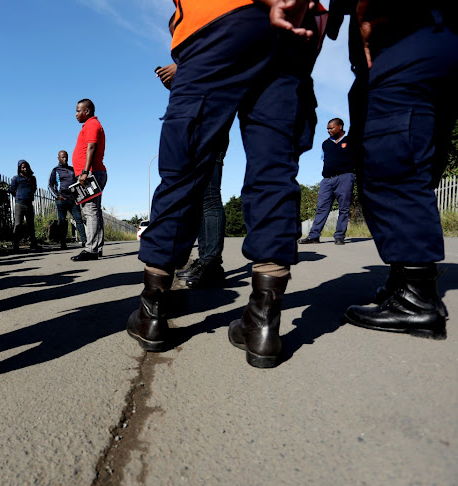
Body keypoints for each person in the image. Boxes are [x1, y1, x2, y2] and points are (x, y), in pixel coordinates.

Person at [127, 0, 326, 368]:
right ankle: (263, 323)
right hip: (293, 34)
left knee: (183, 169)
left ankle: (152, 312)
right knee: (274, 170)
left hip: (220, 23)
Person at [338, 0, 457, 339]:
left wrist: (364, 13)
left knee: (392, 160)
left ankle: (416, 299)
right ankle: (404, 278)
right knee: (416, 155)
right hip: (433, 35)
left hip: (404, 31)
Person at [155, 15, 227, 288]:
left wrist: (182, 70)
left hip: (210, 125)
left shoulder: (209, 46)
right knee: (198, 197)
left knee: (208, 196)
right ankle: (207, 258)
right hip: (195, 125)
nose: (176, 38)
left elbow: (219, 76)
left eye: (177, 31)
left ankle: (211, 263)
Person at [298, 117, 355, 245]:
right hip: (327, 180)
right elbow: (324, 159)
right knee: (321, 208)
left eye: (331, 128)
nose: (329, 130)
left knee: (343, 208)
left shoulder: (350, 140)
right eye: (327, 128)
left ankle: (339, 236)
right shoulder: (326, 143)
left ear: (340, 127)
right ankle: (314, 236)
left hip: (345, 177)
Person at [70, 98, 107, 261]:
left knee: (90, 211)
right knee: (95, 211)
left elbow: (91, 146)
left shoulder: (92, 124)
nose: (76, 113)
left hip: (90, 173)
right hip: (93, 172)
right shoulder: (91, 125)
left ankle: (91, 249)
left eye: (79, 110)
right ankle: (96, 247)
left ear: (88, 111)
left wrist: (85, 172)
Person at [48, 150, 86, 250]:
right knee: (62, 221)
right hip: (61, 200)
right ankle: (63, 243)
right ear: (58, 158)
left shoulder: (72, 169)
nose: (65, 159)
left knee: (79, 219)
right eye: (62, 157)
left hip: (73, 200)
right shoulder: (55, 170)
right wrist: (57, 196)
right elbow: (50, 185)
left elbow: (78, 182)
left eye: (66, 157)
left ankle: (85, 241)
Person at [9, 159, 40, 251]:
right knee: (18, 224)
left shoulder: (32, 178)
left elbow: (34, 188)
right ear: (19, 168)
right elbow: (11, 190)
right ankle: (16, 245)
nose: (25, 169)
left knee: (31, 225)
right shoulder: (16, 178)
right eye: (23, 167)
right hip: (20, 204)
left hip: (29, 204)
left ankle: (33, 243)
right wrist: (18, 196)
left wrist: (29, 195)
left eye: (26, 167)